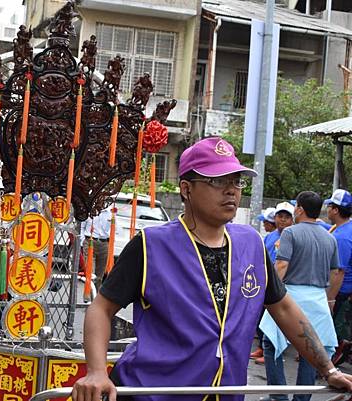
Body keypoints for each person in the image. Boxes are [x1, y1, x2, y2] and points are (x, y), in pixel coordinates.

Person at [71, 137, 352, 401]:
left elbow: (285, 309)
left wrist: (328, 370)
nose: (231, 189)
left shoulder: (251, 244)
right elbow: (101, 308)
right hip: (153, 391)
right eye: (217, 181)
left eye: (236, 181)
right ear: (186, 188)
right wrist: (96, 371)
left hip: (225, 391)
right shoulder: (150, 246)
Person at [260, 191, 343, 401]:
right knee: (311, 351)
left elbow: (281, 265)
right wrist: (329, 299)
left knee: (271, 345)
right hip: (318, 300)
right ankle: (302, 398)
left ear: (299, 209)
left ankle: (278, 397)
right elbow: (335, 273)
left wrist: (270, 295)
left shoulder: (290, 233)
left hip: (289, 296)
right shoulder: (330, 237)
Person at [251, 202, 295, 364]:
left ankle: (276, 352)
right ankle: (262, 348)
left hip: (280, 285)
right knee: (261, 318)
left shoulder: (291, 236)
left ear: (292, 220)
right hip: (264, 281)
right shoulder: (270, 236)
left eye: (286, 217)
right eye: (279, 216)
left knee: (277, 321)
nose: (282, 220)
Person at [325, 189, 352, 364]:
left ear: (335, 210)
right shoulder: (343, 229)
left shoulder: (342, 237)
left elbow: (338, 271)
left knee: (331, 331)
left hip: (340, 290)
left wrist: (330, 300)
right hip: (343, 290)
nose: (327, 209)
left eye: (329, 206)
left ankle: (329, 361)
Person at [81, 206, 112, 294]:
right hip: (90, 242)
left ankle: (96, 296)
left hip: (104, 243)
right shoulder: (88, 210)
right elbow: (82, 227)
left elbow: (114, 229)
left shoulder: (110, 213)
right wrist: (83, 241)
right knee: (90, 273)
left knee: (100, 276)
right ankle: (88, 295)